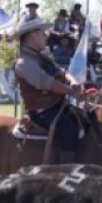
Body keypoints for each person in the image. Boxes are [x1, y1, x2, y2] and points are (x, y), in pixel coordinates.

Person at [14, 16, 88, 164]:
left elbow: (61, 71)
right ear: (33, 35)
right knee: (69, 129)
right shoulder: (23, 63)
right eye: (43, 33)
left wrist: (73, 82)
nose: (46, 36)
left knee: (86, 119)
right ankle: (67, 169)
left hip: (56, 106)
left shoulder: (41, 57)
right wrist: (71, 91)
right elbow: (46, 83)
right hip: (42, 112)